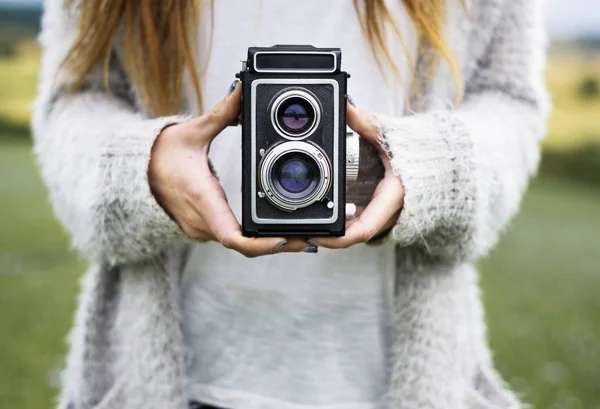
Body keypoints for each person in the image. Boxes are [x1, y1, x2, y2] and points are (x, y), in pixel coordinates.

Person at [32, 0, 549, 408]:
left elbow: (507, 95)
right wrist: (142, 166)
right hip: (165, 372)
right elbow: (74, 95)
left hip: (398, 373)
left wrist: (434, 167)